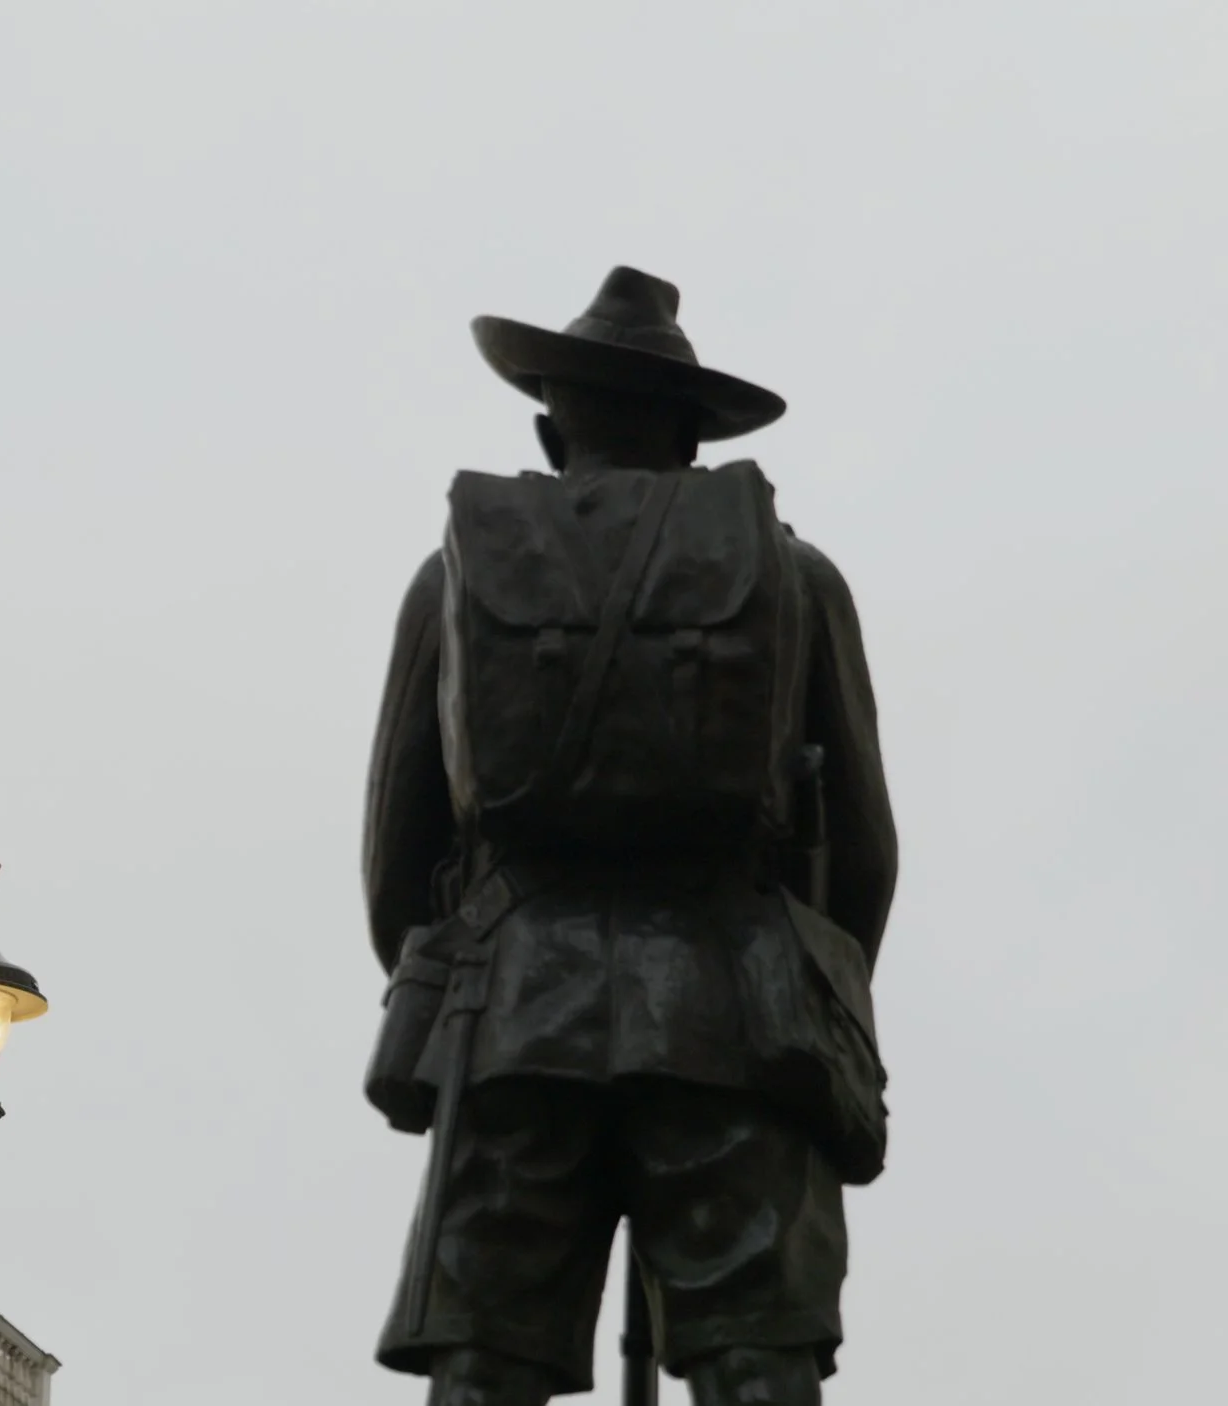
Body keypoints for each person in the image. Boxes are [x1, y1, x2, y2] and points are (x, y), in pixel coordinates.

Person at [361, 267, 898, 1406]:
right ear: (693, 437)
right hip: (738, 1008)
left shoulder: (446, 579)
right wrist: (805, 983)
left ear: (553, 428)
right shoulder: (794, 579)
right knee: (757, 1353)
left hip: (508, 1015)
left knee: (484, 1359)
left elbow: (394, 863)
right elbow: (864, 853)